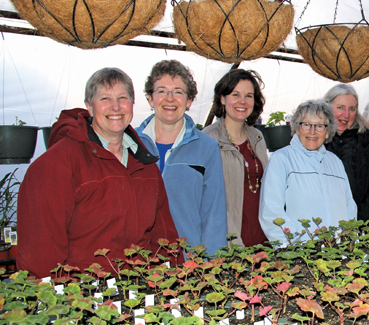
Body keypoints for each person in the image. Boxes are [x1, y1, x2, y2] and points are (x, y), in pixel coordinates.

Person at [16, 68, 181, 278]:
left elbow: (163, 235)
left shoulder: (145, 165)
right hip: (82, 296)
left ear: (132, 105)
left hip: (139, 291)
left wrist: (172, 284)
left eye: (123, 98)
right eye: (105, 98)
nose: (115, 106)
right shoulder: (58, 164)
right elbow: (40, 250)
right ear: (89, 107)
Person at [136, 60, 227, 256]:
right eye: (161, 91)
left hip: (187, 262)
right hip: (137, 263)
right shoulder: (131, 145)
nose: (170, 99)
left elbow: (214, 213)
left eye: (178, 91)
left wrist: (209, 268)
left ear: (189, 101)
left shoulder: (206, 148)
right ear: (150, 99)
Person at [259, 100, 356, 245]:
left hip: (337, 254)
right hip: (302, 257)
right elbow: (271, 212)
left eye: (319, 126)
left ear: (328, 131)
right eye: (306, 124)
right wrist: (296, 248)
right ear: (297, 128)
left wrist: (347, 242)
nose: (312, 131)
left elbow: (349, 207)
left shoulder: (335, 162)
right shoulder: (282, 160)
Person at [203, 69, 269, 247]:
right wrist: (233, 242)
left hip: (263, 238)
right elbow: (208, 200)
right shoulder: (208, 140)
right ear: (223, 99)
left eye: (248, 95)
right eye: (235, 94)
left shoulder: (257, 137)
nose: (242, 101)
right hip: (230, 240)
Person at [324, 84, 369, 220]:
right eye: (340, 108)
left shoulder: (368, 142)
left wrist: (359, 217)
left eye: (352, 109)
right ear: (327, 107)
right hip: (321, 223)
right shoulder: (317, 140)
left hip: (360, 224)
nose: (346, 115)